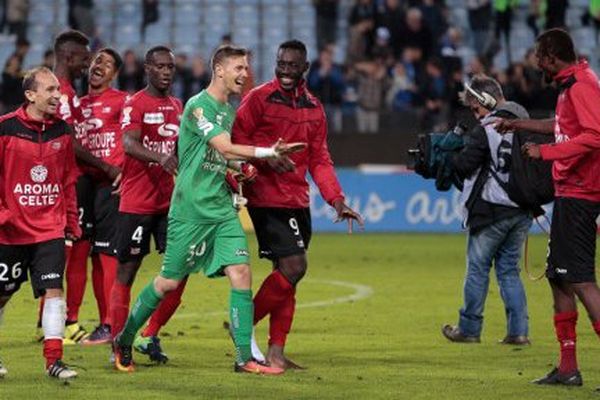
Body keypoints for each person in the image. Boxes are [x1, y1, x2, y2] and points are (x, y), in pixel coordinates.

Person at [113, 44, 304, 375]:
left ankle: (244, 358)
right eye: (239, 69)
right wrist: (266, 151)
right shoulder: (198, 107)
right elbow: (223, 145)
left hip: (220, 209)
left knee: (241, 273)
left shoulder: (228, 112)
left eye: (246, 69)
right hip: (190, 210)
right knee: (168, 282)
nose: (245, 74)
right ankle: (125, 337)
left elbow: (224, 155)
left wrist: (241, 168)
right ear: (220, 70)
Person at [231, 40, 364, 369]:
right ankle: (241, 325)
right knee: (295, 266)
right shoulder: (258, 98)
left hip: (297, 199)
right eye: (281, 64)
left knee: (288, 275)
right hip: (266, 197)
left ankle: (276, 353)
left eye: (293, 65)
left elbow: (319, 158)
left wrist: (336, 199)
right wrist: (262, 161)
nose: (286, 71)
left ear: (305, 68)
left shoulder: (314, 108)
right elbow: (236, 142)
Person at [494, 28, 600, 387]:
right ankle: (568, 367)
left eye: (539, 56)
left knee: (581, 280)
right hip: (570, 192)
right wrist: (520, 126)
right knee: (559, 278)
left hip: (582, 194)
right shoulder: (572, 85)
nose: (536, 62)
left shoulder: (582, 85)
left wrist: (546, 153)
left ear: (552, 57)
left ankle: (571, 367)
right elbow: (562, 128)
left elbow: (595, 135)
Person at [108, 45, 187, 364]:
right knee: (127, 271)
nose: (167, 71)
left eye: (171, 67)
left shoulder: (179, 105)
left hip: (171, 205)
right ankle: (117, 343)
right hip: (138, 201)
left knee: (180, 271)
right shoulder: (135, 102)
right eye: (160, 66)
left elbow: (182, 149)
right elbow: (128, 143)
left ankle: (148, 334)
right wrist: (162, 158)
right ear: (147, 69)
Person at [0, 67, 81, 379]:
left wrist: (71, 223)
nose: (57, 96)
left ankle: (54, 361)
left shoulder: (61, 131)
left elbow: (67, 181)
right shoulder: (5, 129)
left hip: (50, 227)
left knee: (53, 289)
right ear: (30, 95)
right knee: (3, 293)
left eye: (58, 90)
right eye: (49, 90)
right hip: (11, 231)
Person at [441, 75, 533, 345]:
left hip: (492, 209)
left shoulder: (487, 129)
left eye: (475, 108)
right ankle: (518, 332)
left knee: (477, 268)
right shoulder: (525, 121)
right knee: (508, 271)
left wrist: (451, 154)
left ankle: (469, 329)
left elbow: (464, 166)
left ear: (487, 101)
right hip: (522, 209)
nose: (475, 114)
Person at [52, 29, 120, 345]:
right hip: (72, 183)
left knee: (84, 252)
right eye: (86, 58)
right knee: (66, 252)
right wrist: (106, 165)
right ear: (69, 57)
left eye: (101, 61)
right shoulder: (61, 95)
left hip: (92, 187)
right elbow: (68, 141)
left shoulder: (73, 96)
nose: (89, 63)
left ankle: (68, 321)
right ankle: (64, 322)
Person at [78, 48, 128, 345]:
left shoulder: (123, 102)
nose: (99, 66)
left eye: (107, 64)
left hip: (113, 185)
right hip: (84, 186)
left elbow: (135, 137)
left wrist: (126, 173)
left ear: (114, 74)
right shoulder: (77, 105)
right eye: (97, 60)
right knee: (95, 256)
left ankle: (112, 324)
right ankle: (105, 323)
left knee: (109, 255)